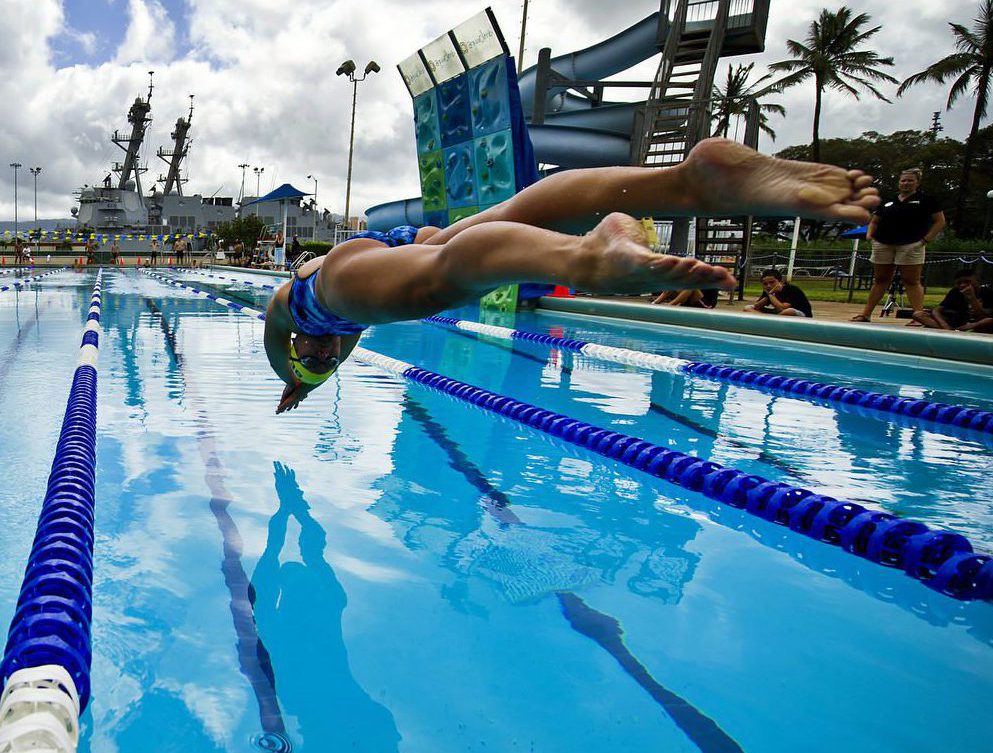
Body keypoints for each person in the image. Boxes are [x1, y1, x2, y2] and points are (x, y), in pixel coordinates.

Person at [264, 138, 880, 413]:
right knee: (509, 211)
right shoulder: (343, 330)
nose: (321, 355)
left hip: (336, 279)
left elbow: (278, 343)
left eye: (311, 357)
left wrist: (291, 379)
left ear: (302, 344)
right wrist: (311, 382)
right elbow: (329, 352)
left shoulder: (297, 310)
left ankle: (585, 256)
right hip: (391, 247)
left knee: (443, 281)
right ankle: (683, 183)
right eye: (324, 360)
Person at [851, 168, 945, 322]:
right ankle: (865, 314)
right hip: (883, 243)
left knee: (911, 280)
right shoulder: (889, 201)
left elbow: (940, 221)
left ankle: (918, 316)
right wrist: (870, 236)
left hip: (911, 244)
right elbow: (875, 220)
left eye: (910, 180)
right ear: (899, 182)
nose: (906, 183)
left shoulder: (926, 200)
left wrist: (925, 240)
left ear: (917, 182)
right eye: (903, 180)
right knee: (881, 279)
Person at [912, 268, 993, 332]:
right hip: (957, 322)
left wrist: (972, 298)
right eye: (959, 283)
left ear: (977, 281)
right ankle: (952, 331)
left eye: (967, 282)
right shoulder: (955, 291)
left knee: (987, 322)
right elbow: (936, 310)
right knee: (918, 314)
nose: (962, 285)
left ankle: (957, 330)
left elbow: (984, 316)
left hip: (979, 323)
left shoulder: (988, 293)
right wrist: (944, 325)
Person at [743, 268, 813, 317]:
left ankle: (769, 321)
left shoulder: (791, 289)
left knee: (789, 311)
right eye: (765, 284)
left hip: (800, 314)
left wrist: (770, 295)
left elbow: (782, 308)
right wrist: (768, 295)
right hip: (780, 313)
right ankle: (766, 320)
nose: (769, 285)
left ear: (781, 282)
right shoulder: (768, 290)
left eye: (772, 282)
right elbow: (757, 306)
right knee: (748, 308)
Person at [650, 288, 719, 307]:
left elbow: (713, 301)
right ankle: (655, 302)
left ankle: (670, 305)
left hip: (706, 303)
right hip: (691, 300)